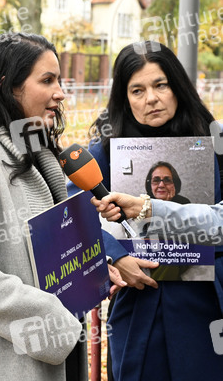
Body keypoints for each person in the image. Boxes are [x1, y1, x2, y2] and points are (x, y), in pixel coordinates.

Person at [0, 32, 125, 381]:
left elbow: (47, 253)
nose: (60, 92)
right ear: (8, 86)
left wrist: (92, 270)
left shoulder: (40, 156)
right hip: (4, 362)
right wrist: (58, 325)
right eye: (47, 80)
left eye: (59, 80)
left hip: (54, 357)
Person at [68, 40, 222, 381]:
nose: (151, 98)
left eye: (160, 85)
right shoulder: (104, 152)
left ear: (178, 86)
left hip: (208, 305)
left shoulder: (215, 143)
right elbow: (73, 219)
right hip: (139, 305)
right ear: (124, 99)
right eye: (137, 90)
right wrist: (113, 257)